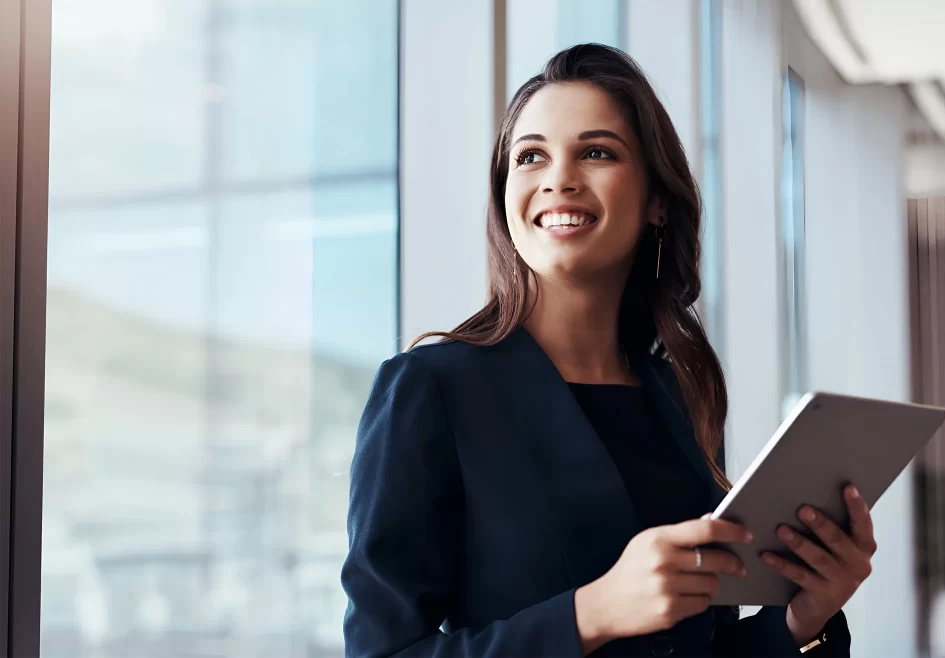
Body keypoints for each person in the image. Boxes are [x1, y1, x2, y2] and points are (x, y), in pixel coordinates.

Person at [341, 44, 874, 657]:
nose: (558, 178)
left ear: (655, 202)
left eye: (596, 153)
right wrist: (590, 614)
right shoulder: (430, 389)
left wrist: (800, 623)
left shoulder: (683, 397)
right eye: (531, 156)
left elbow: (702, 647)